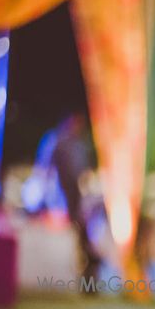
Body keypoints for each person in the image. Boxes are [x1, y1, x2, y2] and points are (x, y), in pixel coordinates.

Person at [51, 113, 101, 285]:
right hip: (65, 197)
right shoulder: (59, 142)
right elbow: (48, 169)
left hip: (78, 200)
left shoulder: (79, 144)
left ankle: (89, 277)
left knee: (83, 238)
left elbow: (84, 171)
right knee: (79, 237)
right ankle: (86, 274)